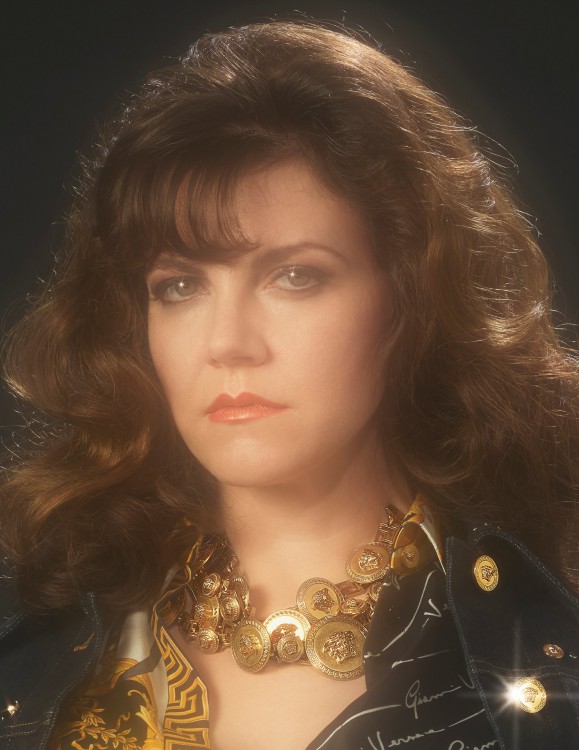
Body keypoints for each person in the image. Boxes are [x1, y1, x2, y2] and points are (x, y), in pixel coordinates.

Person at [0, 20, 578, 750]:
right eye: (179, 286)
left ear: (410, 298)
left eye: (295, 276)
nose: (227, 343)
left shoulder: (542, 662)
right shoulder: (44, 652)